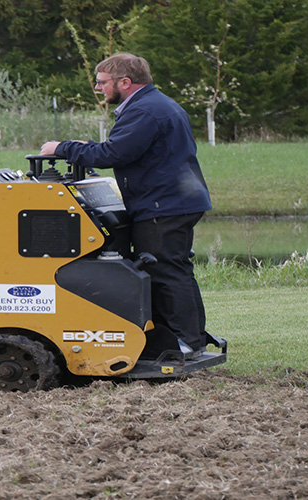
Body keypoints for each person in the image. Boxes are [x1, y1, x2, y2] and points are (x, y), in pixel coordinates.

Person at [39, 52, 212, 356]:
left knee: (165, 273)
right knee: (177, 269)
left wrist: (61, 148)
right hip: (174, 200)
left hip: (163, 205)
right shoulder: (156, 104)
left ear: (125, 82)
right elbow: (122, 149)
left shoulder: (144, 111)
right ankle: (191, 338)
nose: (98, 88)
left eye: (102, 82)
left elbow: (113, 155)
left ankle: (184, 343)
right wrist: (86, 148)